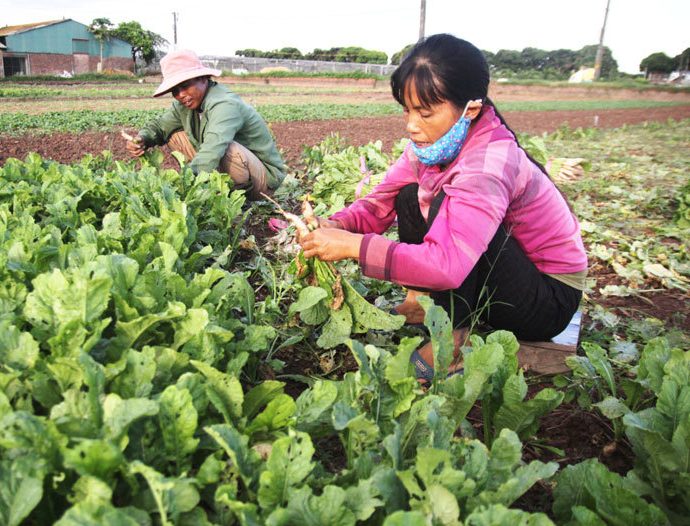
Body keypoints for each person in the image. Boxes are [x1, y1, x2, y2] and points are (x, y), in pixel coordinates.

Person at [299, 34, 587, 385]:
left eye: (425, 112)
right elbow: (380, 201)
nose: (411, 125)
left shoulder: (488, 164)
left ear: (471, 109)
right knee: (408, 194)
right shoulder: (430, 147)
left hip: (546, 299)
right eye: (407, 110)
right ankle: (421, 303)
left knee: (446, 208)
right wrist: (333, 224)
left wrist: (353, 246)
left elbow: (449, 265)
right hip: (508, 274)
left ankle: (450, 344)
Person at [125, 49, 286, 199]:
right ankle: (211, 190)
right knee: (174, 135)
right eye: (175, 90)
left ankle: (236, 202)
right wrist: (143, 139)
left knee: (227, 149)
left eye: (185, 86)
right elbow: (160, 126)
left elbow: (212, 149)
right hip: (235, 168)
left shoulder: (224, 104)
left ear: (203, 79)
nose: (180, 95)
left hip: (264, 179)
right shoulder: (184, 105)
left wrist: (186, 187)